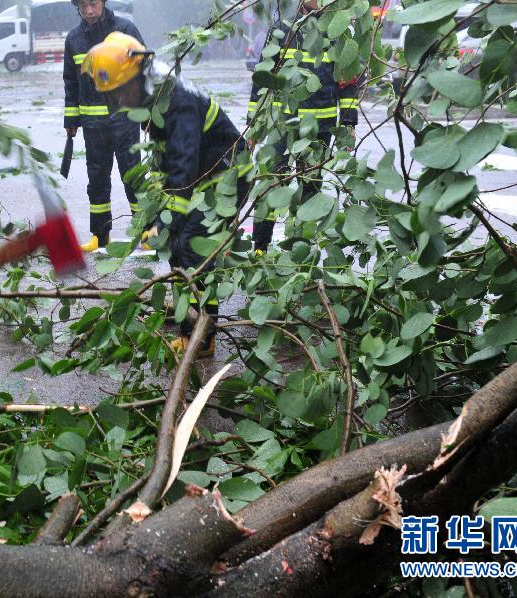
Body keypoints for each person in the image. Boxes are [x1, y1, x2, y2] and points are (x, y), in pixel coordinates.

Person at [82, 32, 249, 357]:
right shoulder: (156, 96)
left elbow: (182, 169)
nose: (120, 100)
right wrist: (158, 216)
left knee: (192, 249)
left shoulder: (177, 101)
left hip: (227, 176)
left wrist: (164, 221)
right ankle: (189, 312)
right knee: (177, 246)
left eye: (119, 91)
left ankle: (201, 338)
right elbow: (167, 164)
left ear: (136, 76)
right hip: (204, 173)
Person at [248, 0, 359, 251]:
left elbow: (348, 82)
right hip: (282, 126)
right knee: (271, 185)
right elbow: (262, 79)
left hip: (320, 129)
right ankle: (260, 247)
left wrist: (349, 123)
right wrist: (253, 125)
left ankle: (301, 250)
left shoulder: (338, 33)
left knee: (310, 190)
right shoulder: (281, 31)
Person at [64, 0, 145, 252]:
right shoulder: (74, 38)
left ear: (103, 2)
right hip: (93, 125)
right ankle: (101, 235)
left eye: (93, 4)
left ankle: (146, 233)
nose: (89, 11)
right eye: (83, 6)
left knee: (133, 176)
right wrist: (71, 120)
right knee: (97, 179)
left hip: (125, 120)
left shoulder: (126, 31)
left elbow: (144, 71)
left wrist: (147, 113)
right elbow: (70, 83)